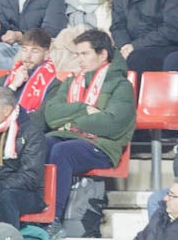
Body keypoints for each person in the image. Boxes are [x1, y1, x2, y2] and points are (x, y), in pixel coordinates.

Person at [40, 30, 135, 222]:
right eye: (77, 55)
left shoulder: (121, 85)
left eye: (85, 54)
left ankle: (53, 218)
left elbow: (112, 124)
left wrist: (69, 121)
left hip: (102, 146)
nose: (79, 60)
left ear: (103, 54)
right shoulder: (71, 81)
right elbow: (51, 115)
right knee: (40, 144)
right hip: (68, 137)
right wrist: (84, 109)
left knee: (62, 152)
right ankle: (34, 209)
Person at [0, 84, 49, 227]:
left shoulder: (31, 134)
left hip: (26, 194)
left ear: (7, 110)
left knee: (6, 196)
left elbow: (30, 177)